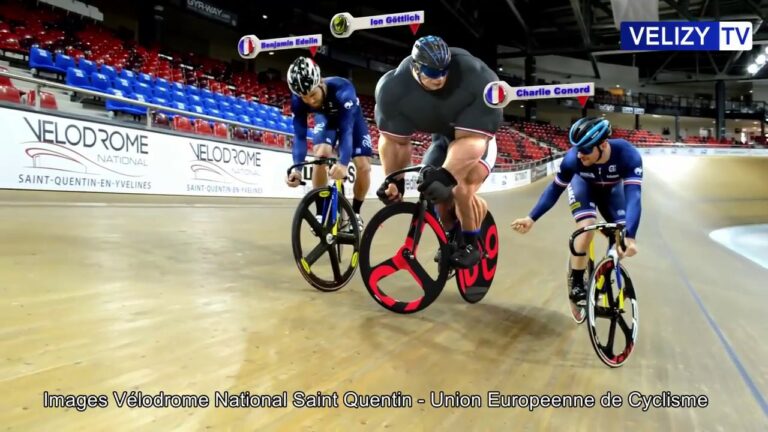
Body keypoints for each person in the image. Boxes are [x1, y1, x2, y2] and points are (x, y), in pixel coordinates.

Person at [374, 35, 502, 268]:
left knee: (461, 189)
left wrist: (446, 175)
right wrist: (394, 180)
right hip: (443, 140)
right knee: (433, 189)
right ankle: (453, 234)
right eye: (432, 73)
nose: (440, 78)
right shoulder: (392, 88)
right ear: (415, 68)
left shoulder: (476, 76)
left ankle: (473, 245)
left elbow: (473, 141)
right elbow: (395, 142)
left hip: (476, 140)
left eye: (444, 71)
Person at [510, 117, 643, 305]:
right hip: (584, 187)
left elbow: (634, 197)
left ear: (603, 145)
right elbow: (555, 189)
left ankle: (605, 272)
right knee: (587, 226)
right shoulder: (573, 159)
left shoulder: (628, 155)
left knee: (620, 237)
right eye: (577, 149)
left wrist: (630, 235)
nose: (580, 155)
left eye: (586, 150)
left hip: (611, 191)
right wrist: (531, 218)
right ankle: (578, 282)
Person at [284, 57, 373, 230]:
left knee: (364, 167)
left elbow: (346, 130)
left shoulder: (343, 89)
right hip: (326, 119)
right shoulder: (298, 100)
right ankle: (320, 212)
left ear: (321, 84)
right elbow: (300, 137)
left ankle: (355, 213)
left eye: (312, 94)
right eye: (304, 97)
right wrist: (297, 169)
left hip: (351, 120)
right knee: (320, 155)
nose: (310, 101)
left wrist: (343, 163)